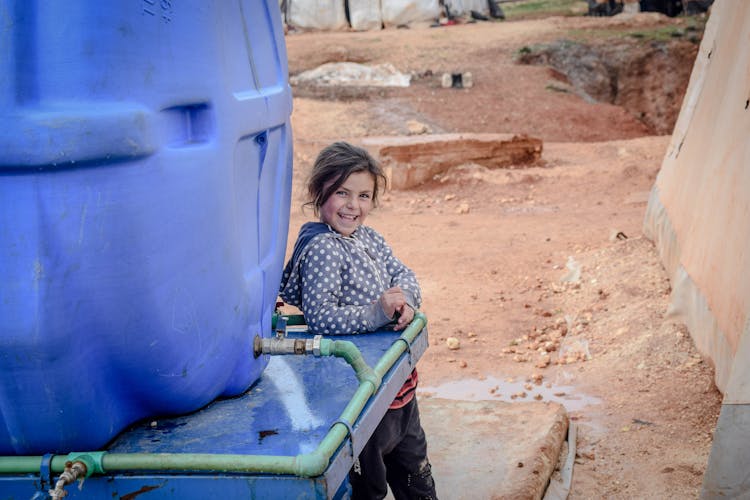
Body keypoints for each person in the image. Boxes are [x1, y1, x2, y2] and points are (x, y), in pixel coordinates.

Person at [279, 141, 437, 500]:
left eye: (364, 196)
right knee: (370, 489)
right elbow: (321, 317)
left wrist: (406, 302)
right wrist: (377, 313)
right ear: (318, 192)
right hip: (359, 397)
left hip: (398, 388)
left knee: (417, 479)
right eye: (342, 193)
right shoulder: (322, 248)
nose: (354, 206)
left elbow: (405, 275)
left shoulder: (368, 236)